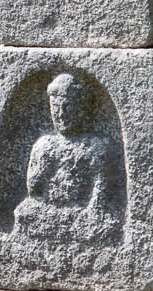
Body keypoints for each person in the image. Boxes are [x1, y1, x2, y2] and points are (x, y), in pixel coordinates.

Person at [12, 72, 124, 252]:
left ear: (81, 109)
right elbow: (34, 191)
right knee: (25, 214)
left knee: (106, 224)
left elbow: (100, 196)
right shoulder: (44, 145)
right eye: (55, 108)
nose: (61, 115)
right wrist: (42, 168)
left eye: (68, 107)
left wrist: (88, 214)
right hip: (49, 212)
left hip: (82, 215)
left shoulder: (96, 146)